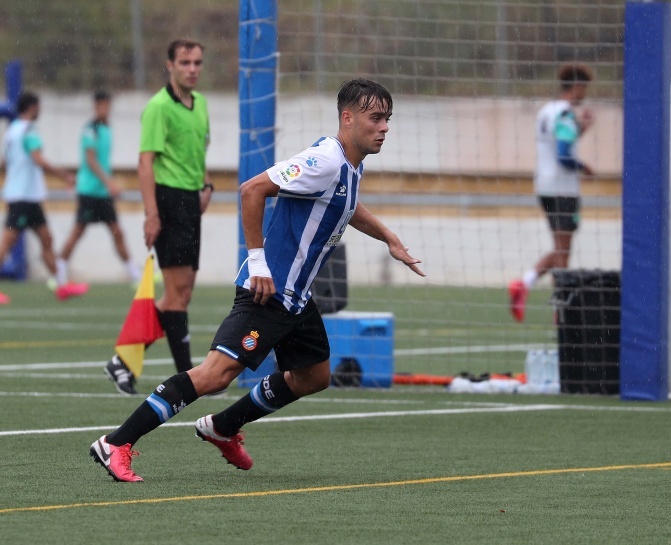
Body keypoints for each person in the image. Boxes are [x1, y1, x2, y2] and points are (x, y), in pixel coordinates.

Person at [89, 78, 425, 482]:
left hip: (297, 299)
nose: (384, 127)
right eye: (376, 118)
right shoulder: (324, 160)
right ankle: (116, 443)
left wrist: (388, 237)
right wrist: (258, 263)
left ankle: (223, 426)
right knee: (215, 374)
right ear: (348, 118)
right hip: (268, 291)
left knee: (314, 376)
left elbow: (347, 205)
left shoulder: (351, 165)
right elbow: (252, 190)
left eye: (388, 118)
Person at [104, 39, 213, 395]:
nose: (192, 69)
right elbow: (145, 163)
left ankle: (123, 360)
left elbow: (199, 151)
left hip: (190, 202)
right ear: (170, 65)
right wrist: (152, 214)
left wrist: (206, 185)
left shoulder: (201, 104)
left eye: (197, 62)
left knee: (180, 294)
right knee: (177, 295)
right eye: (185, 62)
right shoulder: (158, 107)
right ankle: (189, 378)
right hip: (168, 202)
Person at [508, 63, 595, 322]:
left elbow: (557, 142)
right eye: (584, 88)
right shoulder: (566, 113)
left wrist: (581, 130)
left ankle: (530, 286)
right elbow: (564, 155)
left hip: (544, 186)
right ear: (577, 87)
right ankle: (558, 307)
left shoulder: (547, 111)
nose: (585, 94)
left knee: (560, 249)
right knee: (563, 251)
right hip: (563, 189)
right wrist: (584, 167)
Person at [0, 92, 89, 305]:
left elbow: (5, 162)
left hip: (28, 196)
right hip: (23, 197)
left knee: (46, 239)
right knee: (7, 243)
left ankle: (61, 285)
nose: (40, 110)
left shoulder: (12, 130)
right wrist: (64, 175)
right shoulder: (29, 130)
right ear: (32, 107)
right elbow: (38, 159)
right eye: (38, 107)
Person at [56, 91, 140, 287]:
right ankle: (58, 273)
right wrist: (110, 183)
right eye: (102, 105)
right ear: (95, 107)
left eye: (108, 105)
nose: (106, 109)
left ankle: (134, 274)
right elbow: (91, 160)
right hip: (89, 191)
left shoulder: (107, 129)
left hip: (102, 193)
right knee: (77, 232)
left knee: (117, 232)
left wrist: (107, 185)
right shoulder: (90, 130)